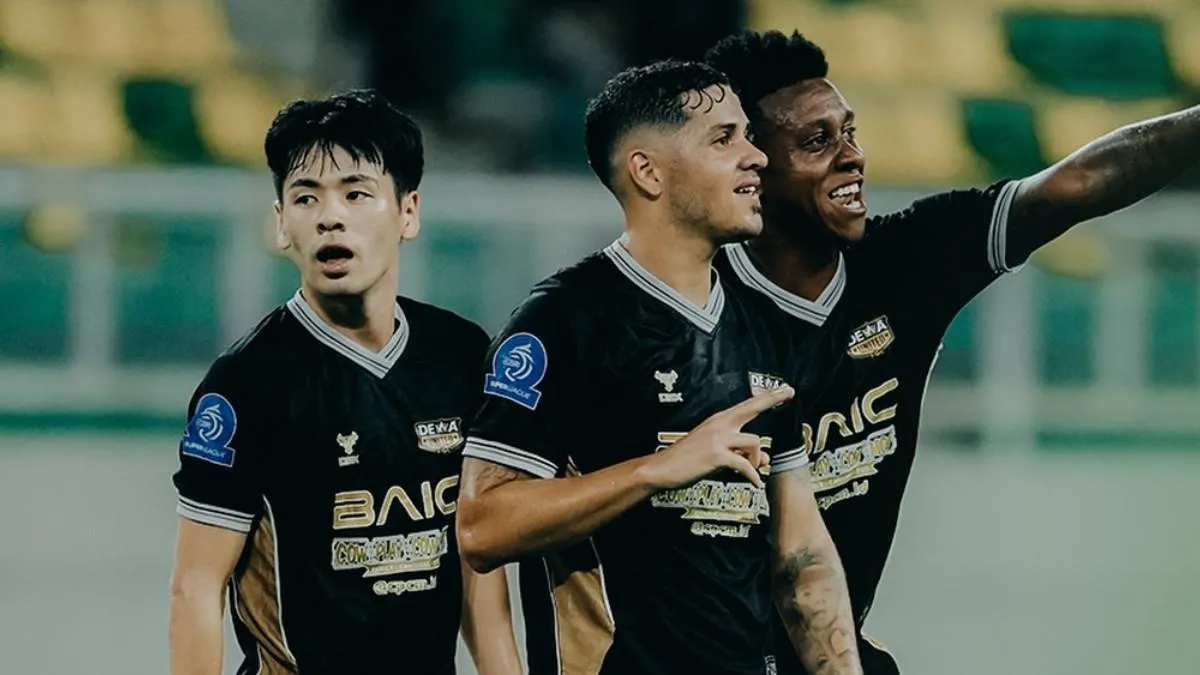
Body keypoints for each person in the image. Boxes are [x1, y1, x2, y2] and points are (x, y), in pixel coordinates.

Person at [705, 29, 1200, 674]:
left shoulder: (908, 262)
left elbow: (1079, 183)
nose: (852, 157)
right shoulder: (684, 310)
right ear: (751, 168)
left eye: (850, 132)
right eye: (817, 142)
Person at [456, 60, 862, 675]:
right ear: (648, 172)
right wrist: (656, 471)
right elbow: (481, 527)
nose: (756, 157)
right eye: (724, 139)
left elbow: (801, 557)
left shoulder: (766, 327)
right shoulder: (564, 323)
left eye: (749, 136)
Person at [166, 90, 522, 675]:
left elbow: (477, 568)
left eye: (356, 194)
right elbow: (195, 590)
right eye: (305, 198)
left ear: (408, 212)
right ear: (281, 224)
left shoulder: (459, 355)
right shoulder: (245, 384)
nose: (329, 216)